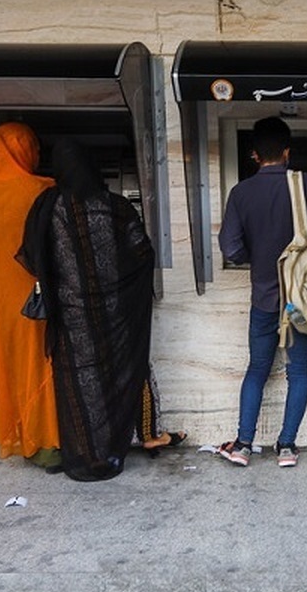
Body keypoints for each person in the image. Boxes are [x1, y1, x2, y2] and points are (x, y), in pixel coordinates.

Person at [19, 139, 184, 482]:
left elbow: (33, 257)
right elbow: (143, 253)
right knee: (129, 369)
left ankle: (87, 455)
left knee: (79, 384)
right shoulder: (117, 207)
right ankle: (133, 440)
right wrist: (121, 286)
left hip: (71, 317)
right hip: (116, 314)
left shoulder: (48, 207)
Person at [216, 116, 307, 468]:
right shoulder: (306, 184)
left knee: (257, 369)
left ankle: (243, 445)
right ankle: (286, 447)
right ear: (287, 152)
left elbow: (231, 248)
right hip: (301, 299)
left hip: (264, 299)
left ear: (255, 155)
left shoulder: (240, 193)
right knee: (297, 371)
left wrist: (256, 256)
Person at [0, 122, 61, 470]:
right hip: (39, 298)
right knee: (43, 366)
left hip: (0, 301)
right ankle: (49, 443)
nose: (36, 153)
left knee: (16, 370)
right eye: (32, 146)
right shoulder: (43, 189)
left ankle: (27, 441)